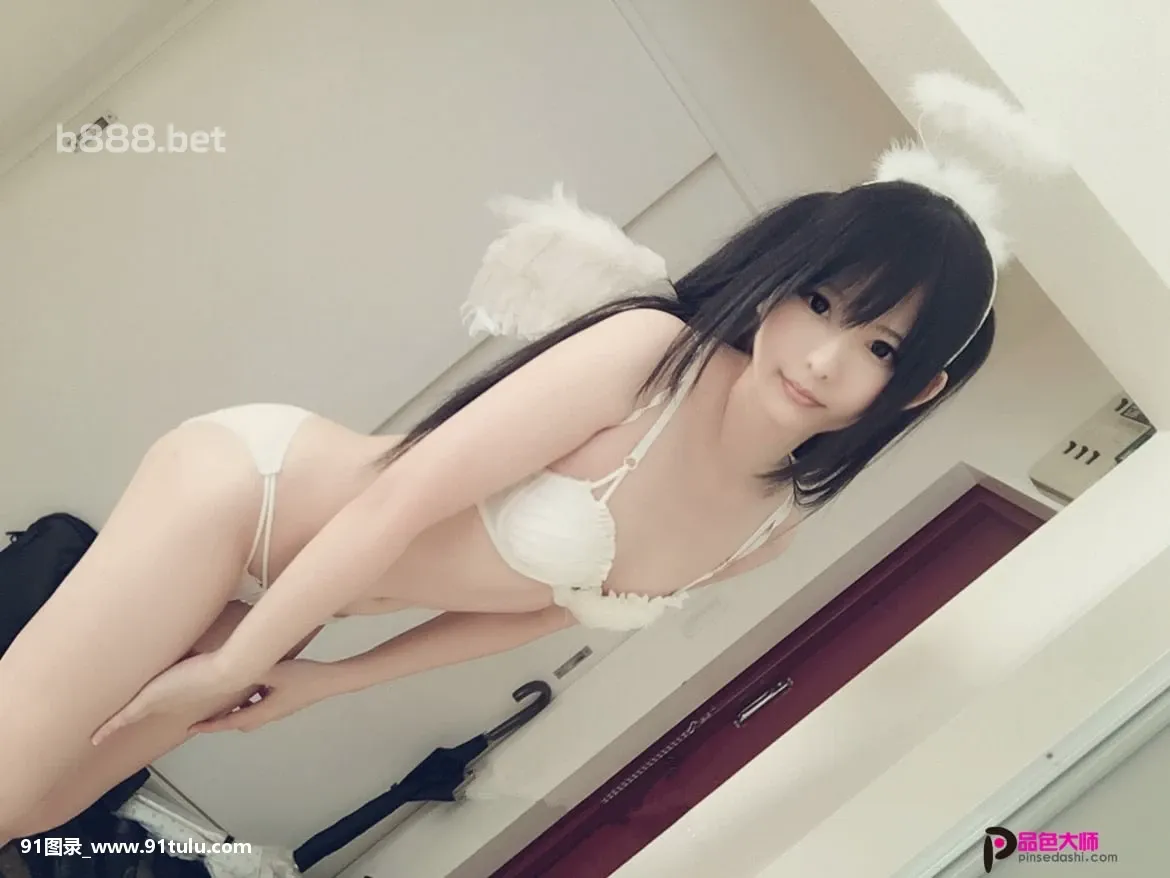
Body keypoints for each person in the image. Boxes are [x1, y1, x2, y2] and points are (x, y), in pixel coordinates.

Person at [0, 70, 1063, 845]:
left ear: (915, 388)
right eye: (821, 302)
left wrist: (329, 679)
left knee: (45, 807)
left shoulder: (767, 528)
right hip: (250, 497)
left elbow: (548, 611)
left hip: (308, 593)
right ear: (781, 282)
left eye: (879, 347)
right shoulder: (650, 358)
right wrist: (235, 665)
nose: (824, 356)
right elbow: (401, 499)